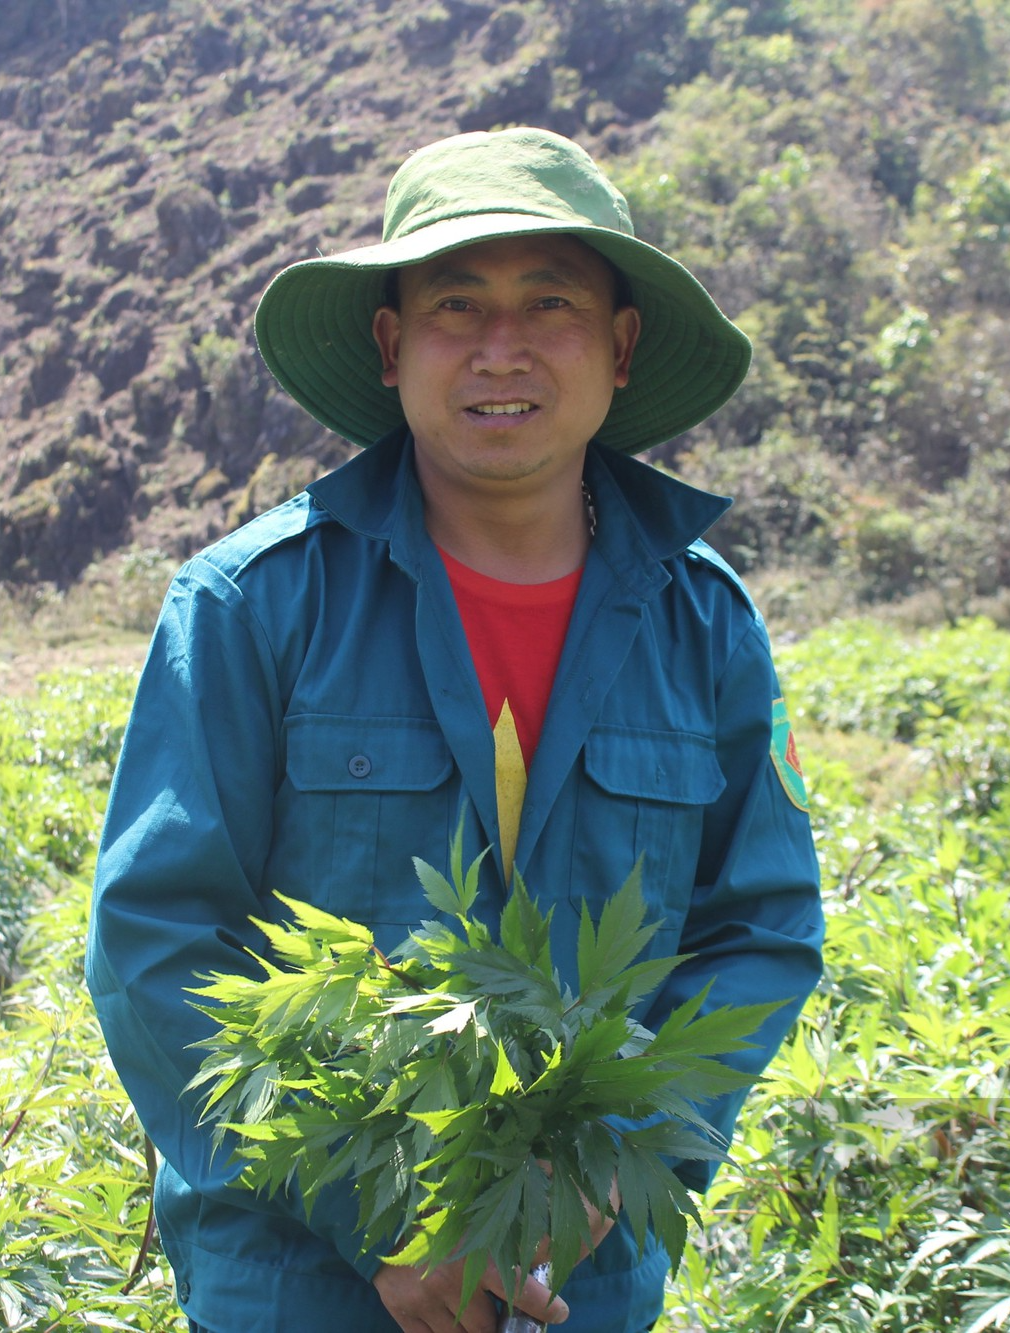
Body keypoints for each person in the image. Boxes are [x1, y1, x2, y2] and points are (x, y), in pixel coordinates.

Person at [86, 126, 825, 1333]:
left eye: (549, 301)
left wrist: (604, 1165)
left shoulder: (704, 624)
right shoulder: (251, 603)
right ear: (389, 343)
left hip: (577, 1282)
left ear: (621, 345)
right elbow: (154, 937)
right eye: (453, 303)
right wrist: (379, 1216)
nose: (501, 347)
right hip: (305, 1282)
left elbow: (760, 929)